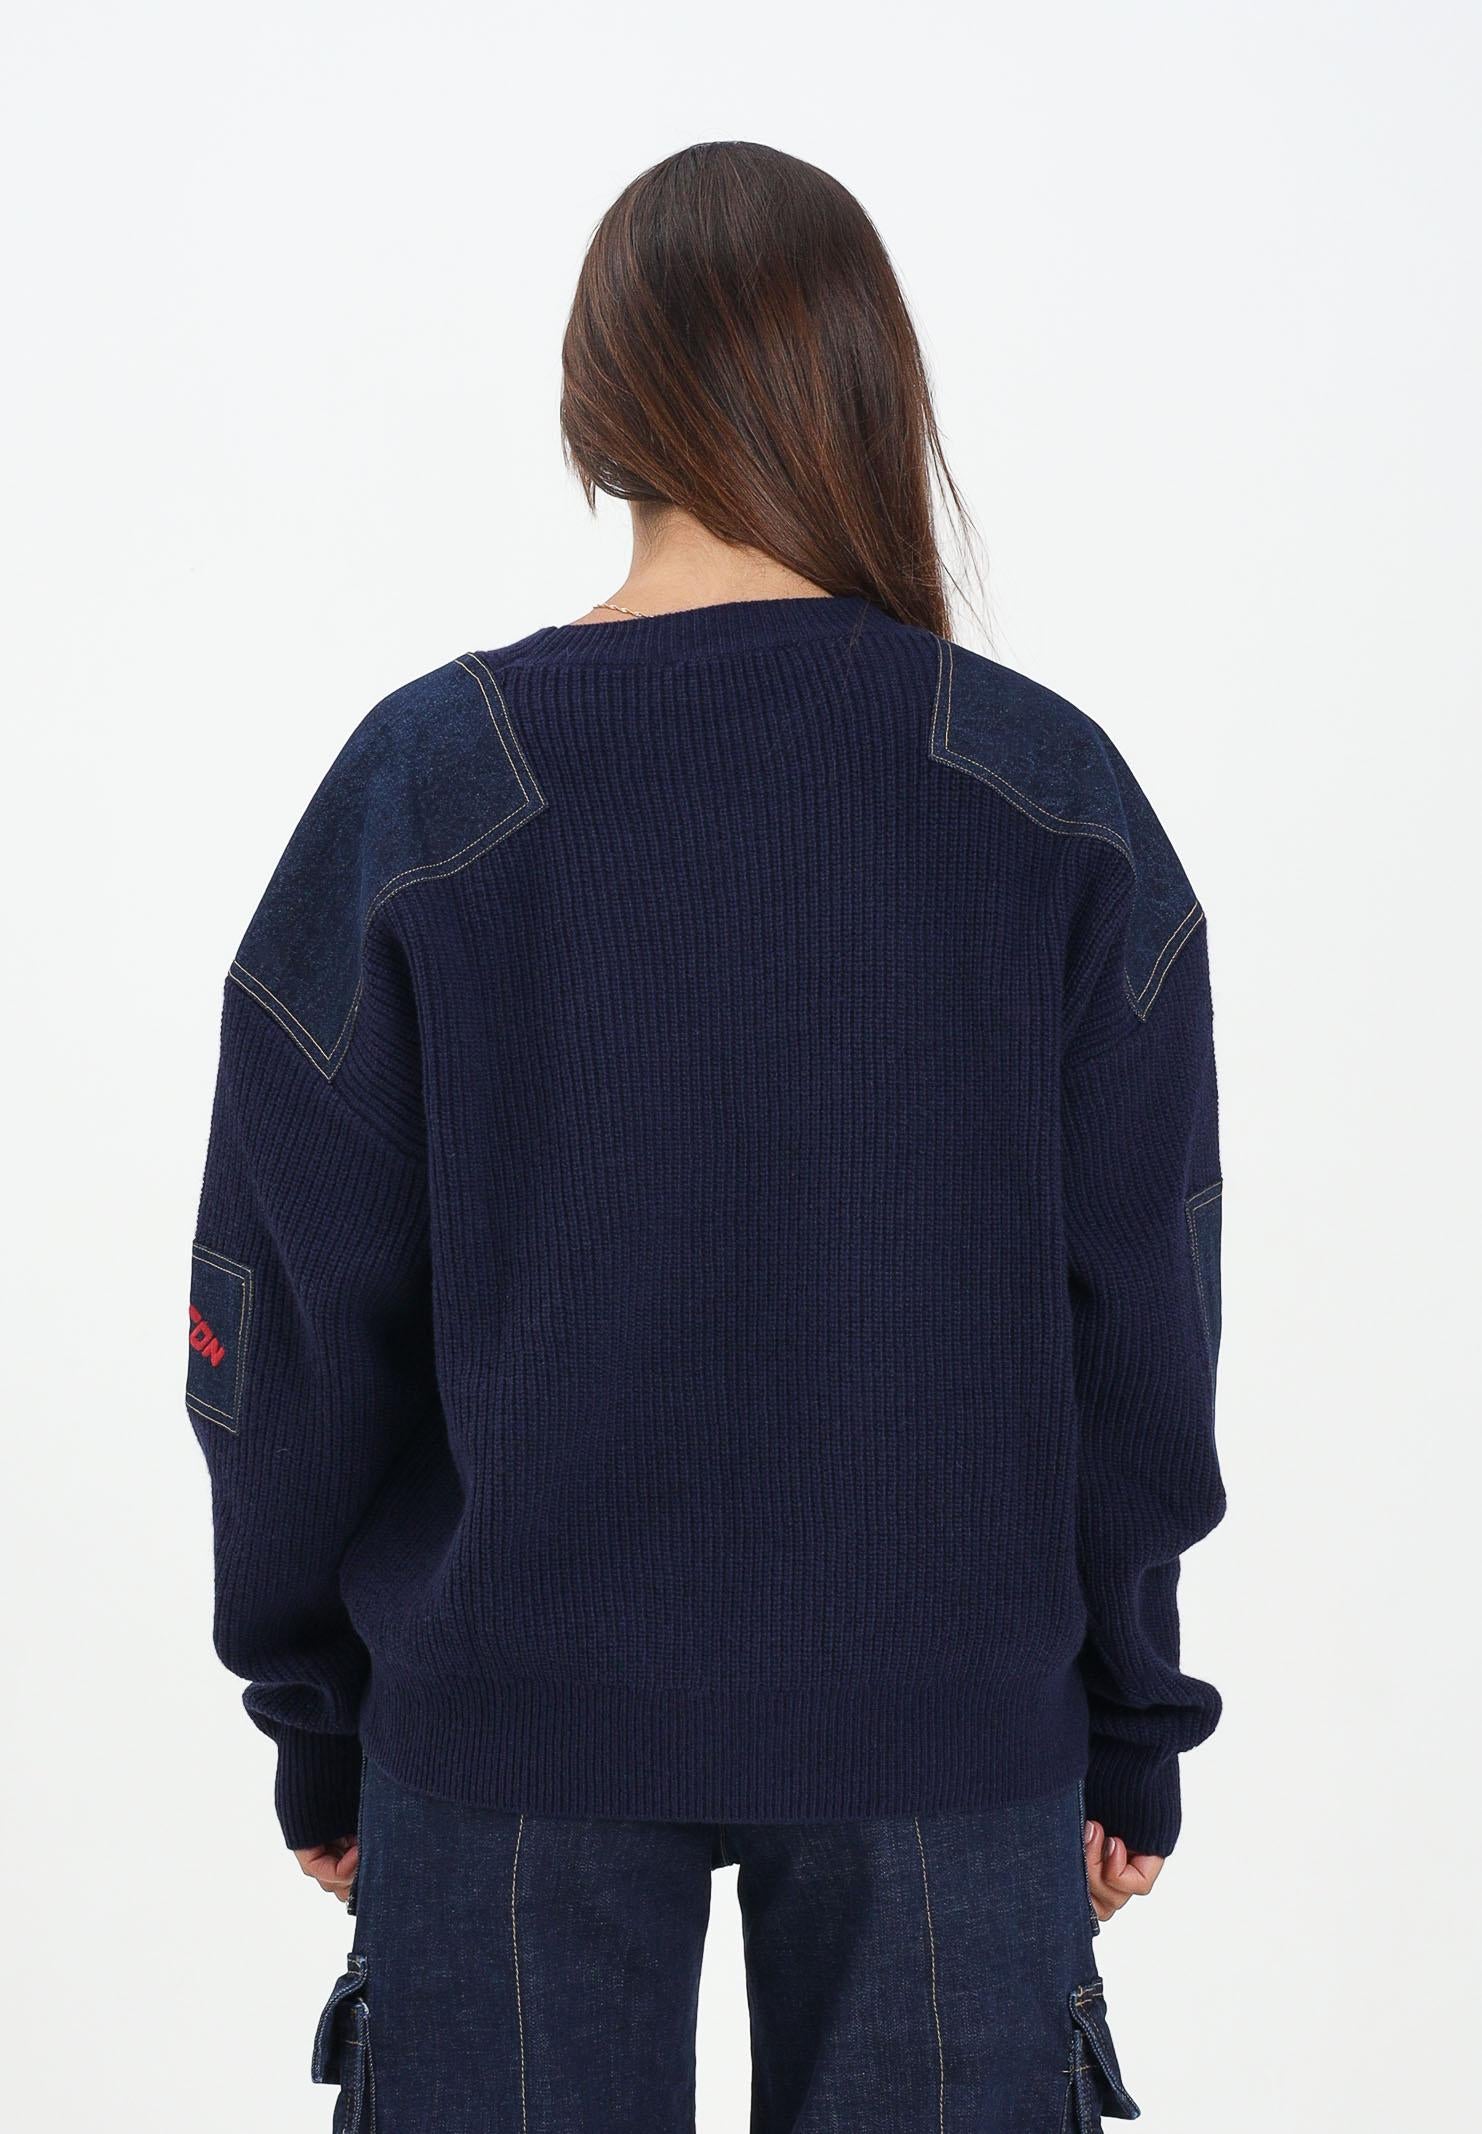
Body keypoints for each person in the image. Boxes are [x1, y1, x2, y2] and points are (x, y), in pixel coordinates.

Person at [186, 140, 1225, 2134]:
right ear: (870, 394)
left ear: (596, 407)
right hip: (950, 1716)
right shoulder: (1044, 796)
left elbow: (286, 1304)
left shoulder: (434, 782)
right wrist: (1127, 1707)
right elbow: (1142, 1310)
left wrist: (322, 1710)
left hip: (503, 1723)